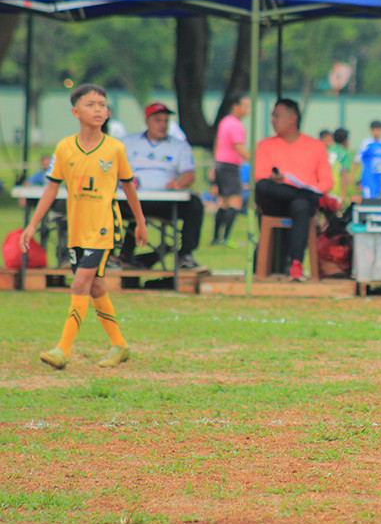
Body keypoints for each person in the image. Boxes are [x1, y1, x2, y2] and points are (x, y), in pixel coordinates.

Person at [19, 83, 147, 370]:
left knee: (80, 283)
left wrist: (140, 221)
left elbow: (129, 187)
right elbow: (51, 190)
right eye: (91, 104)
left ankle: (62, 350)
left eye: (102, 104)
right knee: (97, 286)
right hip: (77, 230)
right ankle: (120, 346)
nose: (99, 109)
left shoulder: (115, 148)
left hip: (104, 228)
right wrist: (32, 225)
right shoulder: (65, 147)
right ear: (76, 112)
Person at [255, 99, 333, 282]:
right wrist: (277, 180)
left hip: (301, 204)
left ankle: (296, 263)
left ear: (293, 118)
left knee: (301, 204)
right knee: (264, 186)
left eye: (277, 116)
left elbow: (327, 182)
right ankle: (304, 195)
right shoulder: (265, 145)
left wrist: (304, 188)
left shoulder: (315, 146)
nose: (273, 120)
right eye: (272, 116)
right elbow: (261, 176)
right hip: (275, 200)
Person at [120, 103, 204, 269]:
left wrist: (180, 183)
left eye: (166, 121)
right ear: (147, 121)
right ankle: (113, 255)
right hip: (129, 199)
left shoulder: (179, 145)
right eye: (158, 120)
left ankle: (185, 254)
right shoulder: (127, 143)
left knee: (195, 204)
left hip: (165, 201)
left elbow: (189, 173)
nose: (163, 125)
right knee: (105, 204)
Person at [211, 92, 251, 246]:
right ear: (236, 107)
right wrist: (255, 160)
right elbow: (238, 147)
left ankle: (216, 238)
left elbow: (217, 143)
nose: (248, 110)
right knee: (236, 202)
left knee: (223, 202)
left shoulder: (224, 122)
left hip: (221, 164)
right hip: (229, 166)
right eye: (245, 106)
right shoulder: (235, 124)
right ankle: (225, 238)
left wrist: (215, 164)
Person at [356, 120, 381, 200]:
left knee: (378, 198)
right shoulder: (367, 143)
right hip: (369, 176)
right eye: (375, 130)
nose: (377, 132)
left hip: (379, 177)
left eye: (379, 130)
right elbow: (358, 159)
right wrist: (353, 175)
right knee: (368, 198)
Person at [321, 127, 353, 201]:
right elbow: (343, 174)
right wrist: (343, 195)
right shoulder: (345, 153)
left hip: (324, 188)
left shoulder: (327, 151)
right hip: (336, 189)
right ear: (346, 140)